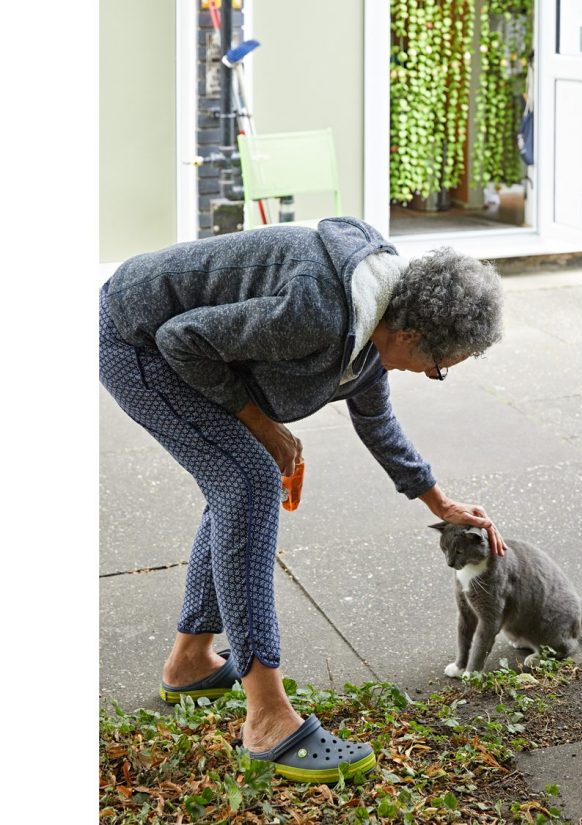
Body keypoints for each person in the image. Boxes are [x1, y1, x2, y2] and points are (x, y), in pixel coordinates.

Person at [99, 216, 506, 782]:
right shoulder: (321, 311)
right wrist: (263, 425)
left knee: (237, 482)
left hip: (179, 342)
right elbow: (180, 340)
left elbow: (375, 416)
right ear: (411, 336)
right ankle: (266, 716)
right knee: (248, 482)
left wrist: (439, 503)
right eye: (439, 368)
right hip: (136, 337)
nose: (431, 375)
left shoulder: (378, 318)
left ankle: (190, 662)